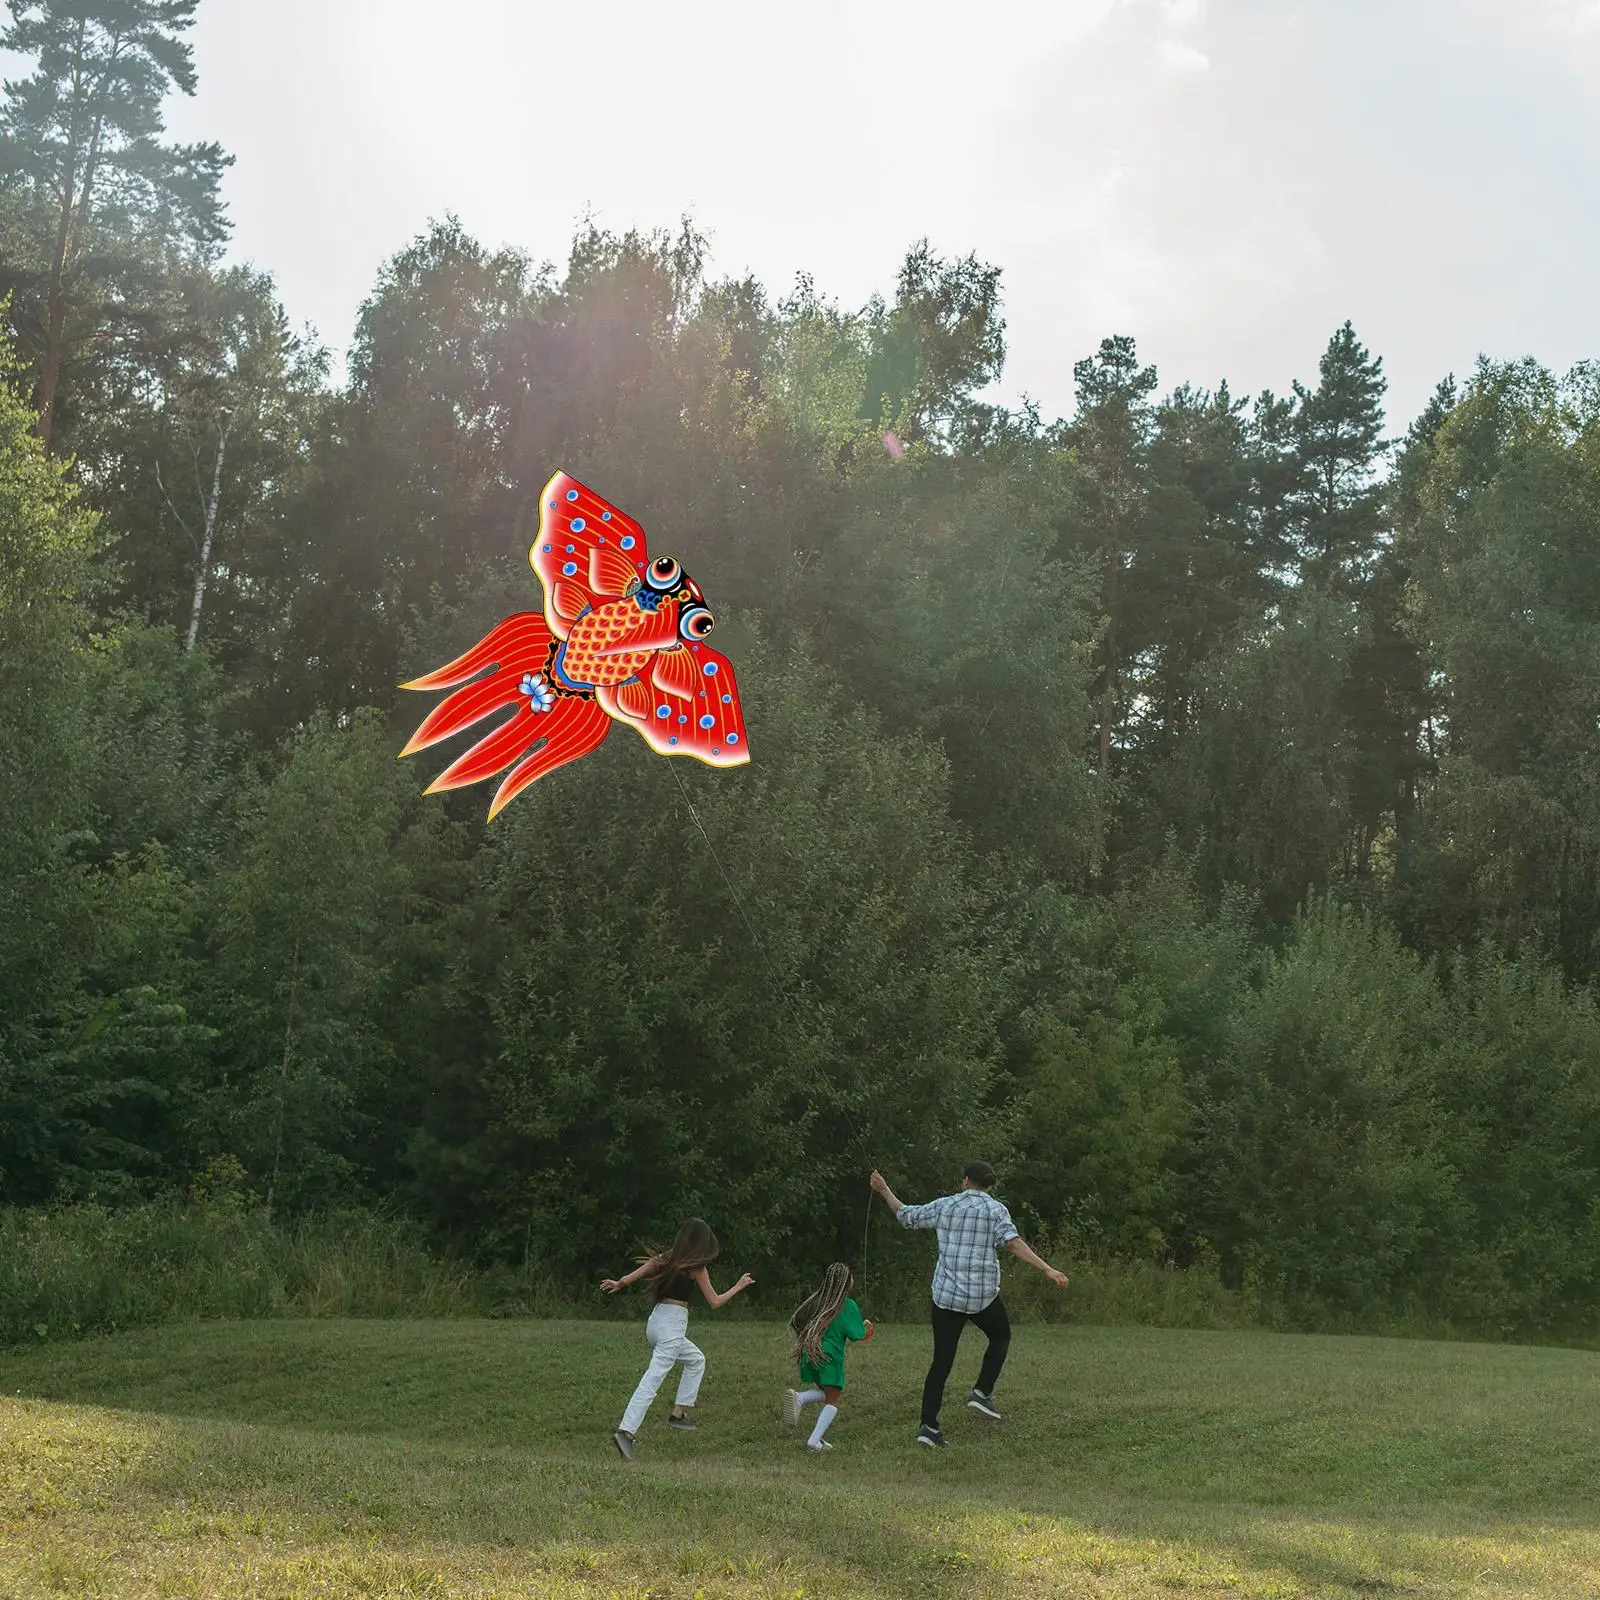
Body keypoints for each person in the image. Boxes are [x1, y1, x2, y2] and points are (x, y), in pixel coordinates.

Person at [869, 1160, 1068, 1448]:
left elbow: (906, 1216)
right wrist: (1047, 1269)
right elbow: (1013, 1243)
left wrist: (884, 1189)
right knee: (1000, 1335)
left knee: (942, 1361)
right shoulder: (995, 1210)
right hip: (981, 1297)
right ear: (990, 1186)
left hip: (946, 1297)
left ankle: (928, 1427)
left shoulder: (946, 1205)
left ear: (964, 1181)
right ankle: (981, 1392)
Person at [601, 1217, 754, 1461]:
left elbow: (638, 1274)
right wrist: (738, 1287)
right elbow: (715, 1302)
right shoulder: (696, 1267)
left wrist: (619, 1283)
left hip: (656, 1324)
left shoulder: (667, 1258)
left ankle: (678, 1414)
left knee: (696, 1360)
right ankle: (626, 1432)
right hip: (672, 1326)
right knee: (652, 1381)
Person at [782, 1262, 875, 1451]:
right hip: (830, 1357)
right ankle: (813, 1439)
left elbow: (797, 1320)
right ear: (846, 1283)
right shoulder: (848, 1305)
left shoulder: (817, 1301)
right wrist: (867, 1328)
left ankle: (801, 1399)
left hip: (811, 1353)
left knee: (826, 1393)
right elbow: (857, 1335)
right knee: (833, 1400)